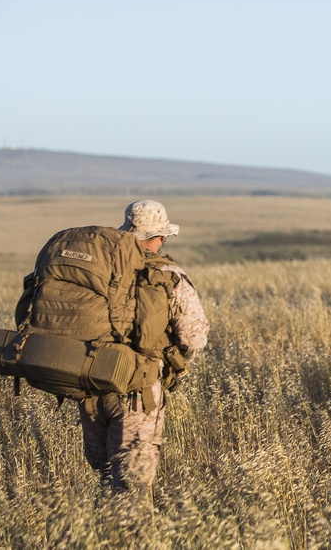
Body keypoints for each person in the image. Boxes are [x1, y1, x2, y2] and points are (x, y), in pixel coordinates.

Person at [79, 199, 209, 493]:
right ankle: (131, 536)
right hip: (137, 388)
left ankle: (106, 534)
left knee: (108, 477)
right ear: (161, 237)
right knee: (132, 486)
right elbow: (193, 336)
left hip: (90, 383)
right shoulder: (168, 274)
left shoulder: (100, 271)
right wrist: (174, 360)